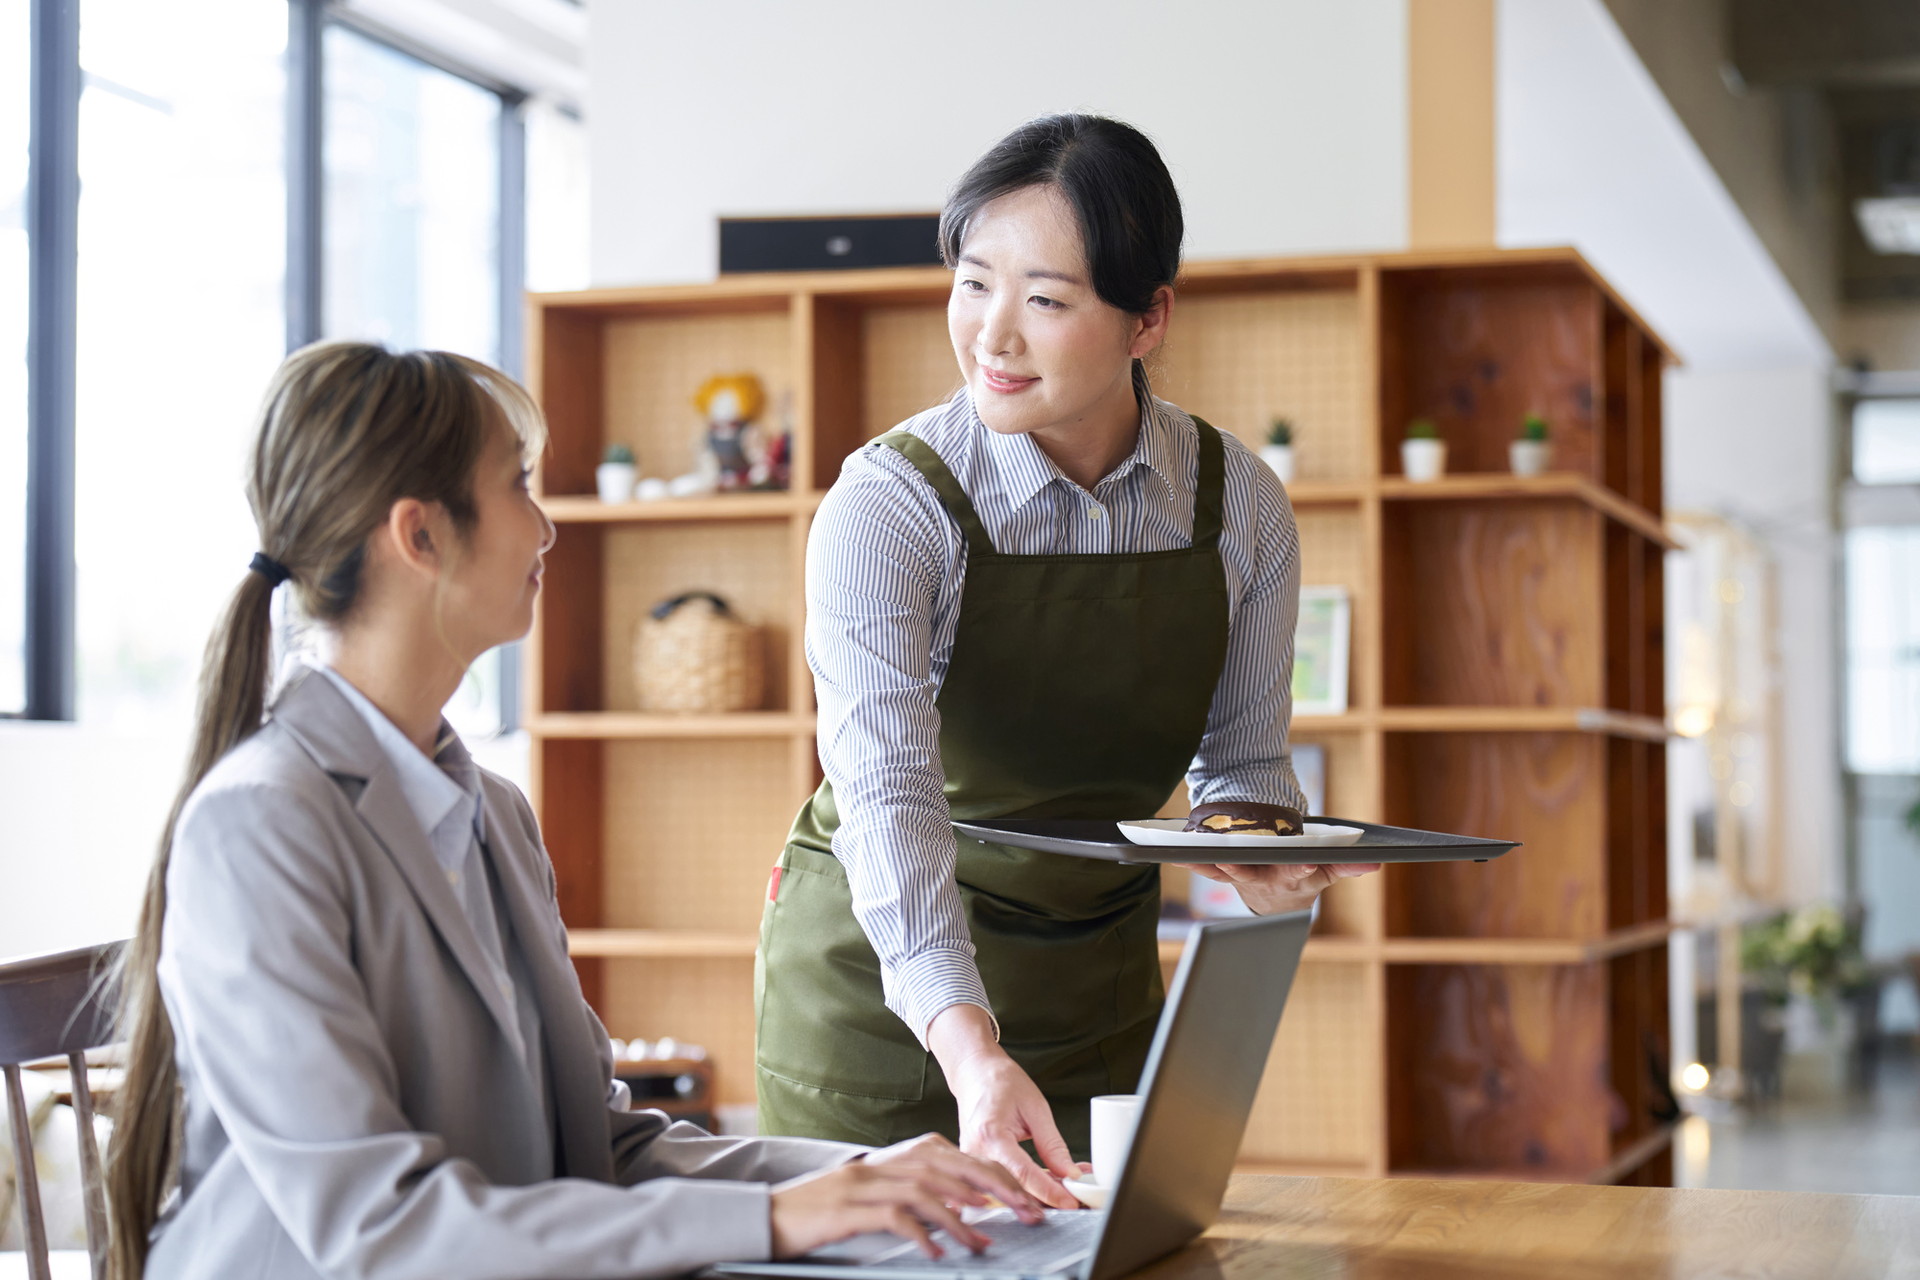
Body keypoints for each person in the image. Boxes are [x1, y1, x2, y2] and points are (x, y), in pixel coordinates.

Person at [103, 342, 1041, 1280]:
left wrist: (870, 1179)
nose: (546, 529)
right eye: (518, 485)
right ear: (420, 536)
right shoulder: (258, 828)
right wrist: (773, 1222)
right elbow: (380, 1231)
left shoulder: (494, 815)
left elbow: (601, 1149)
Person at [755, 115, 1381, 1210]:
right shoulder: (888, 503)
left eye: (1045, 300)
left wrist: (1263, 859)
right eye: (971, 284)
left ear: (1149, 319)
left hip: (1097, 976)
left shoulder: (1240, 507)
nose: (993, 336)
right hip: (888, 991)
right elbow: (888, 794)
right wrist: (970, 1050)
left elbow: (1241, 762)